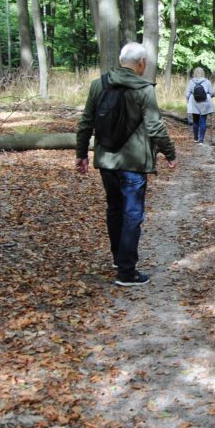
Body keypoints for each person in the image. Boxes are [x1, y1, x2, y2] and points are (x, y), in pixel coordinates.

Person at [75, 42, 178, 286]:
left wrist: (81, 154)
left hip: (107, 161)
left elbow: (85, 122)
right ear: (141, 63)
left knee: (114, 209)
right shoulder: (144, 89)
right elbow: (154, 126)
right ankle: (126, 272)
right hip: (133, 163)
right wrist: (170, 153)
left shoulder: (98, 84)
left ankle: (118, 257)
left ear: (122, 60)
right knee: (132, 214)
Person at [185, 67, 215, 144]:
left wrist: (188, 100)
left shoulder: (191, 81)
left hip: (194, 102)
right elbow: (212, 93)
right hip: (204, 102)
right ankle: (201, 139)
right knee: (203, 121)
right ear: (203, 73)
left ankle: (195, 138)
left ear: (194, 73)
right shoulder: (207, 81)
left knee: (195, 121)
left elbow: (187, 94)